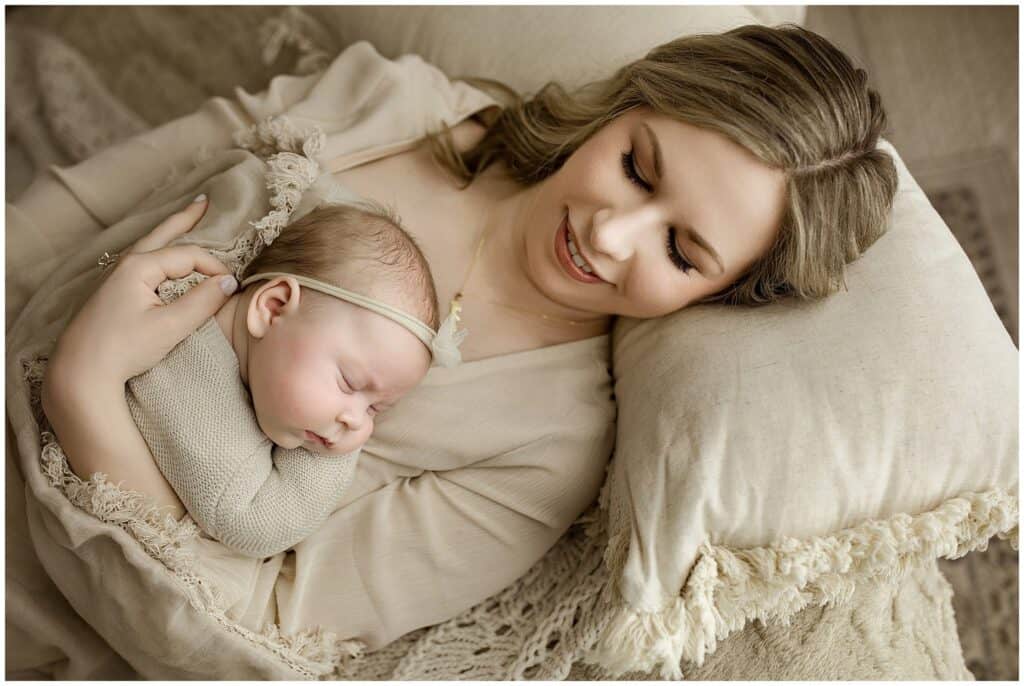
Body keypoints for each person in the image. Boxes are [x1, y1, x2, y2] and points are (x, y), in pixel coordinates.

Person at [38, 23, 897, 653]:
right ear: (628, 103)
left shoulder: (547, 443)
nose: (609, 236)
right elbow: (115, 195)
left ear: (722, 295)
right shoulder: (403, 108)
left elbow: (252, 630)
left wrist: (84, 387)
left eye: (680, 251)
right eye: (637, 167)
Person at [123, 201, 441, 558]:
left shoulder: (253, 352)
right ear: (273, 308)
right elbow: (257, 525)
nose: (356, 422)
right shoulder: (183, 364)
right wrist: (329, 457)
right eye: (349, 383)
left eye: (375, 410)